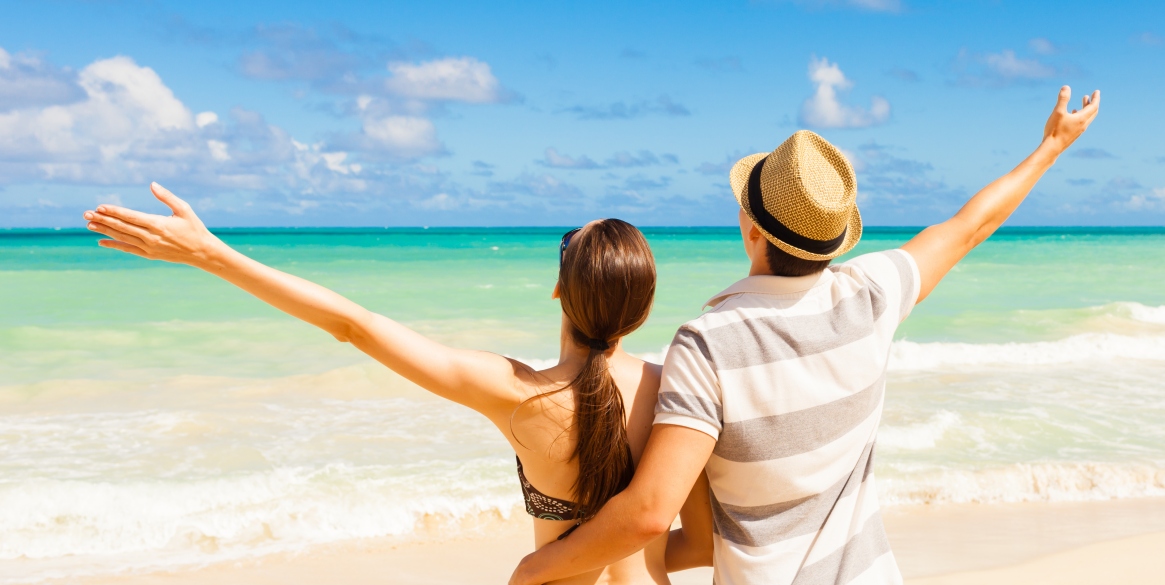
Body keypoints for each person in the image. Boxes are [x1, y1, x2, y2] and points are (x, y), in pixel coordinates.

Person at [509, 85, 1101, 585]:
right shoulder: (873, 294)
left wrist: (536, 568)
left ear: (751, 229)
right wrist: (1050, 148)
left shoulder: (709, 345)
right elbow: (970, 227)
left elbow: (649, 514)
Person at [81, 202, 715, 584]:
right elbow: (705, 542)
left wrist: (211, 254)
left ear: (559, 291)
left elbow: (355, 325)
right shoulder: (678, 394)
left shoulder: (515, 393)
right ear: (642, 306)